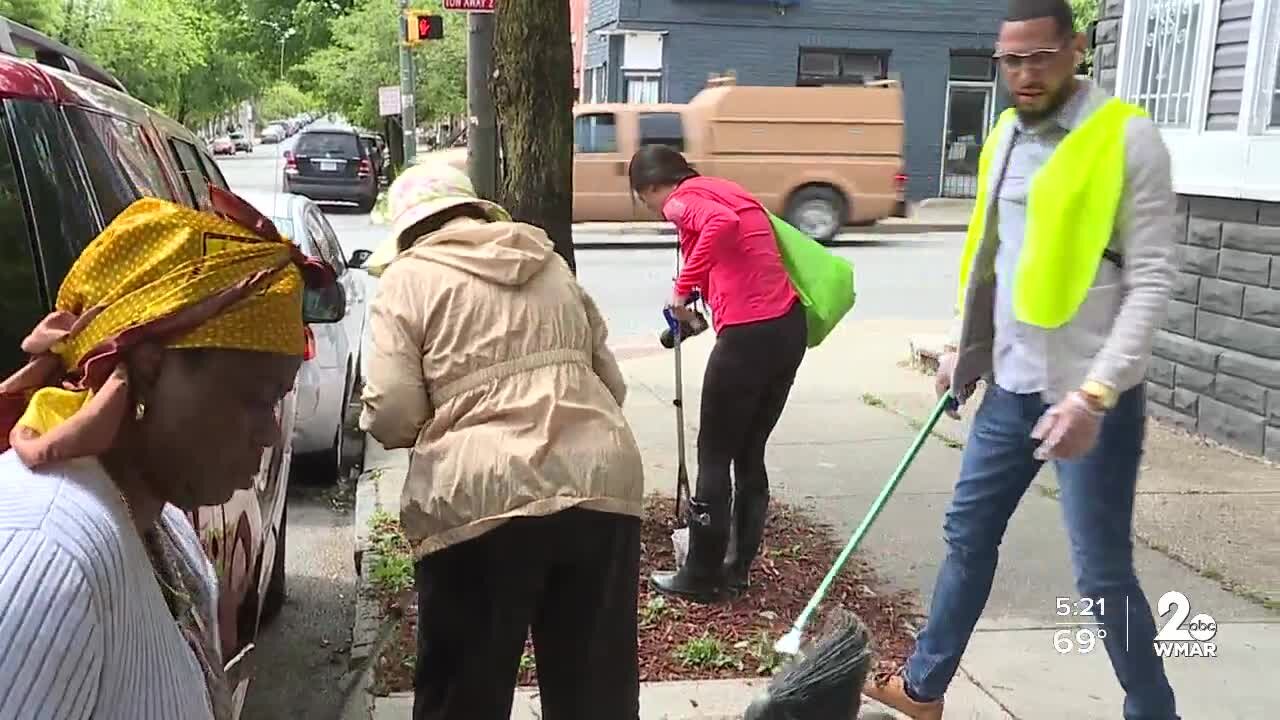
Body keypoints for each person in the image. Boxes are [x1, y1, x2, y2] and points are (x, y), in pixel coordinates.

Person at [863, 1, 1180, 719]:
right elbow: (989, 254)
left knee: (1102, 574)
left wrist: (1096, 395)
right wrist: (961, 347)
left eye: (1039, 58)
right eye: (1012, 61)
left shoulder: (1128, 139)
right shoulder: (1005, 132)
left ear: (1074, 51)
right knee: (967, 536)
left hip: (1090, 399)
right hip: (1011, 388)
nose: (1025, 76)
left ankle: (1154, 711)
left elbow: (1154, 281)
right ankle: (923, 687)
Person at [0, 190, 334, 720]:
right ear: (151, 368)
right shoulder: (48, 554)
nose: (270, 433)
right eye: (256, 398)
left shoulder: (163, 528)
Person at [358, 162, 645, 720]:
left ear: (408, 231)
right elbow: (611, 383)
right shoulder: (549, 263)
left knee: (464, 690)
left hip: (478, 499)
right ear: (474, 210)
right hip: (600, 485)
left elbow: (393, 410)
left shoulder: (408, 279)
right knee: (596, 691)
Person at [629, 144, 807, 604]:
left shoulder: (682, 199)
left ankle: (700, 575)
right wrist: (692, 315)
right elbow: (738, 246)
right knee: (749, 452)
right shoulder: (724, 189)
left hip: (748, 337)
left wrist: (682, 289)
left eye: (646, 199)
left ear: (652, 186)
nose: (657, 211)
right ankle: (738, 568)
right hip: (786, 330)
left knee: (713, 454)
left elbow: (719, 227)